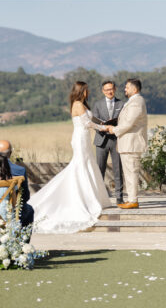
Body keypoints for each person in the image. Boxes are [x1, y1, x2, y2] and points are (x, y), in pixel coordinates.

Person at [29, 81, 112, 233]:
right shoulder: (78, 104)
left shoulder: (82, 104)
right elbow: (87, 123)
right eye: (86, 90)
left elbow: (91, 120)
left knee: (87, 165)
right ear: (81, 91)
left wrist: (102, 123)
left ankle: (92, 197)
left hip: (85, 138)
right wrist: (104, 128)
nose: (88, 92)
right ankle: (83, 199)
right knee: (80, 166)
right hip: (80, 137)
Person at [106, 78, 147, 209]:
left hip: (132, 143)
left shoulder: (137, 102)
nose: (125, 89)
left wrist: (114, 130)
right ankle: (131, 199)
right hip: (127, 143)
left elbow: (129, 123)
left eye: (127, 87)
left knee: (132, 172)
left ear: (134, 89)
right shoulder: (132, 102)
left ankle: (133, 200)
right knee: (129, 173)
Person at [0, 139, 34, 227]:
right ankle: (21, 239)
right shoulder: (20, 170)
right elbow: (25, 197)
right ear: (10, 153)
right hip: (8, 214)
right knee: (29, 210)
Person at [92, 80, 125, 206]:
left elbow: (124, 121)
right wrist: (103, 128)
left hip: (116, 140)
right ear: (102, 91)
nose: (109, 92)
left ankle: (119, 197)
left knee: (118, 169)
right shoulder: (97, 104)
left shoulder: (122, 104)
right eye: (106, 90)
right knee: (100, 170)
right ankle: (99, 197)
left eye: (111, 89)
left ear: (115, 89)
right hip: (101, 140)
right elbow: (94, 122)